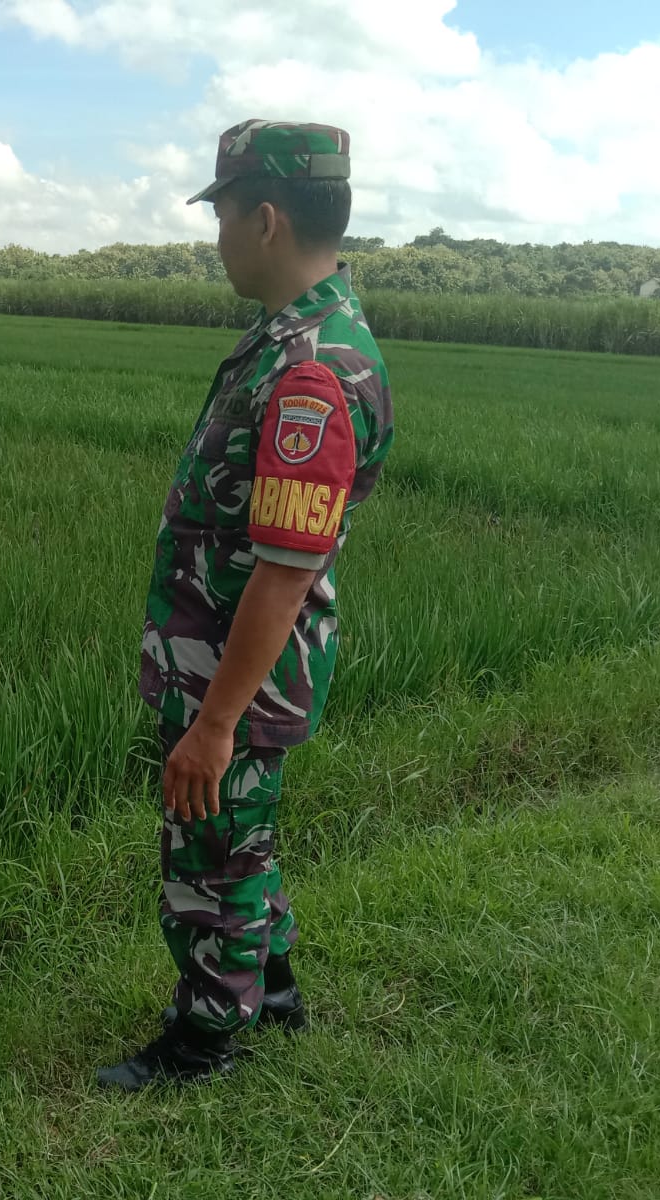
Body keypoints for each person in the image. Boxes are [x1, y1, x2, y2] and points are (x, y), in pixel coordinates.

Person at [98, 121, 395, 1090]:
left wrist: (215, 723)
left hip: (238, 671)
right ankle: (270, 989)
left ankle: (202, 1042)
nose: (215, 235)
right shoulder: (296, 338)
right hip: (232, 661)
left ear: (263, 218)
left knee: (212, 857)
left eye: (221, 213)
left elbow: (282, 569)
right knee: (243, 833)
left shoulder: (309, 366)